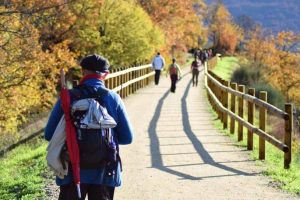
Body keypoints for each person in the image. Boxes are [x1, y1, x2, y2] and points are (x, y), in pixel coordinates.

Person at [45, 54, 134, 200]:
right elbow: (127, 138)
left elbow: (49, 134)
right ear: (105, 74)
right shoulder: (113, 98)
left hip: (72, 170)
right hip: (105, 171)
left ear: (83, 72)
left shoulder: (68, 97)